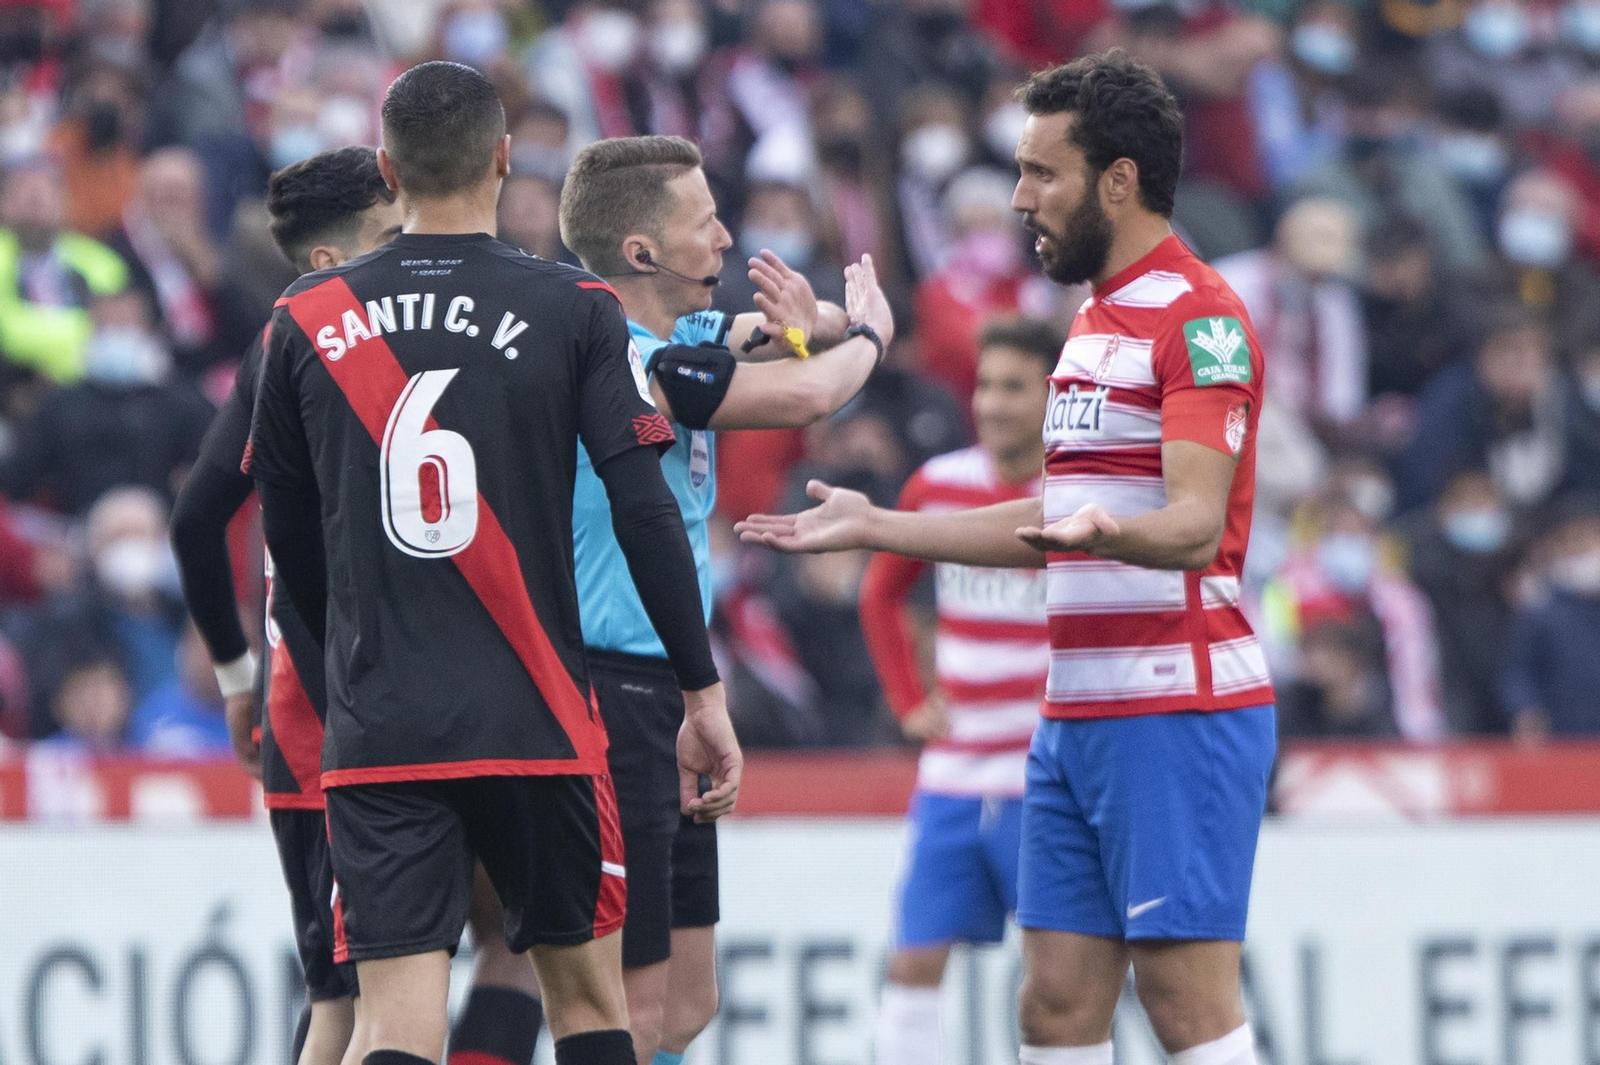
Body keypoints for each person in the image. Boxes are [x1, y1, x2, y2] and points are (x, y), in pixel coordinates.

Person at [737, 52, 1275, 1065]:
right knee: (1054, 1011)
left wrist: (1102, 532)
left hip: (1177, 707)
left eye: (1041, 174)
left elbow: (1196, 524)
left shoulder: (1199, 316)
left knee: (1187, 1007)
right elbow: (1049, 514)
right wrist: (878, 526)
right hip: (1071, 716)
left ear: (1118, 180)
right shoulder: (1088, 321)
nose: (1019, 198)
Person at [247, 64, 740, 1065]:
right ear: (507, 159)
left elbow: (285, 538)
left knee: (392, 1025)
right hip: (542, 714)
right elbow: (645, 507)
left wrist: (349, 656)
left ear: (388, 169)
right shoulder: (576, 307)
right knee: (589, 1007)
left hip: (383, 723)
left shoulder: (304, 320)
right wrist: (701, 689)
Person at [558, 132, 893, 1064]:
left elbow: (786, 332)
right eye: (703, 221)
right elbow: (805, 394)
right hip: (608, 684)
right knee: (628, 1001)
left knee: (689, 998)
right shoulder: (623, 360)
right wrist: (869, 337)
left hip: (671, 685)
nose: (723, 236)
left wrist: (809, 319)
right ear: (641, 253)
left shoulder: (685, 337)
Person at [171, 146, 403, 1065]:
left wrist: (240, 679)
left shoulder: (280, 343)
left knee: (366, 993)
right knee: (354, 1004)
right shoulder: (314, 338)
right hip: (341, 717)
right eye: (388, 236)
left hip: (308, 710)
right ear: (325, 263)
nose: (405, 250)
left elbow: (197, 520)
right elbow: (192, 522)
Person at [858, 316, 1057, 1065]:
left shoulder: (1078, 496)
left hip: (1045, 778)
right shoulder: (938, 484)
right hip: (952, 774)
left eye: (1013, 387)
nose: (992, 403)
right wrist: (909, 698)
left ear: (1052, 396)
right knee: (911, 963)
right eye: (984, 385)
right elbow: (881, 595)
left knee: (1056, 979)